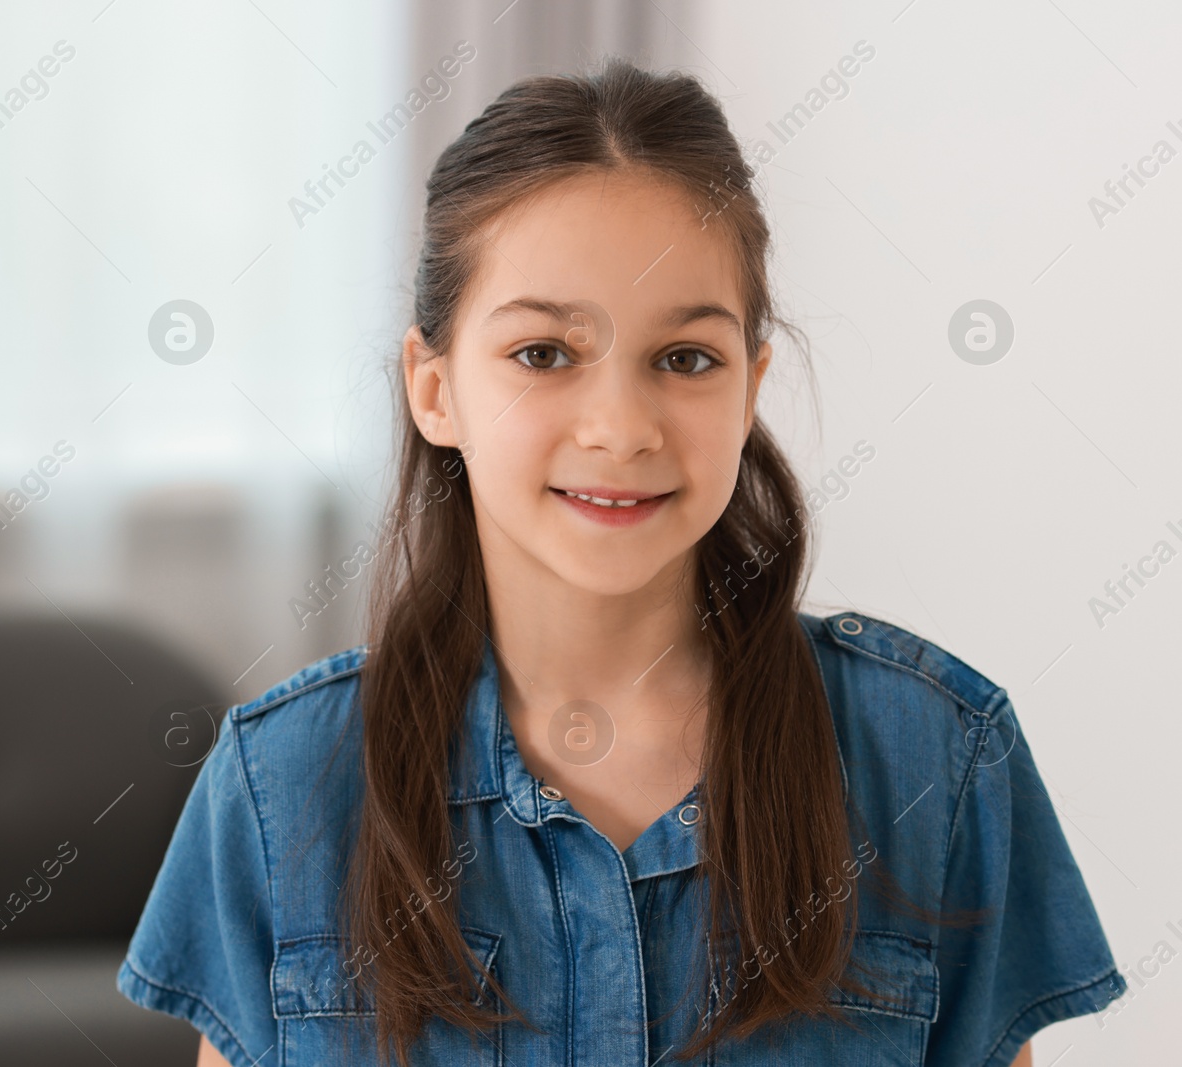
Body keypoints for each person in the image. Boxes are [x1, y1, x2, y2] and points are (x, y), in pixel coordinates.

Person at [117, 58, 1125, 1066]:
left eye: (685, 359)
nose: (619, 427)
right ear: (434, 388)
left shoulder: (935, 758)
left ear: (749, 385)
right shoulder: (281, 782)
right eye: (543, 353)